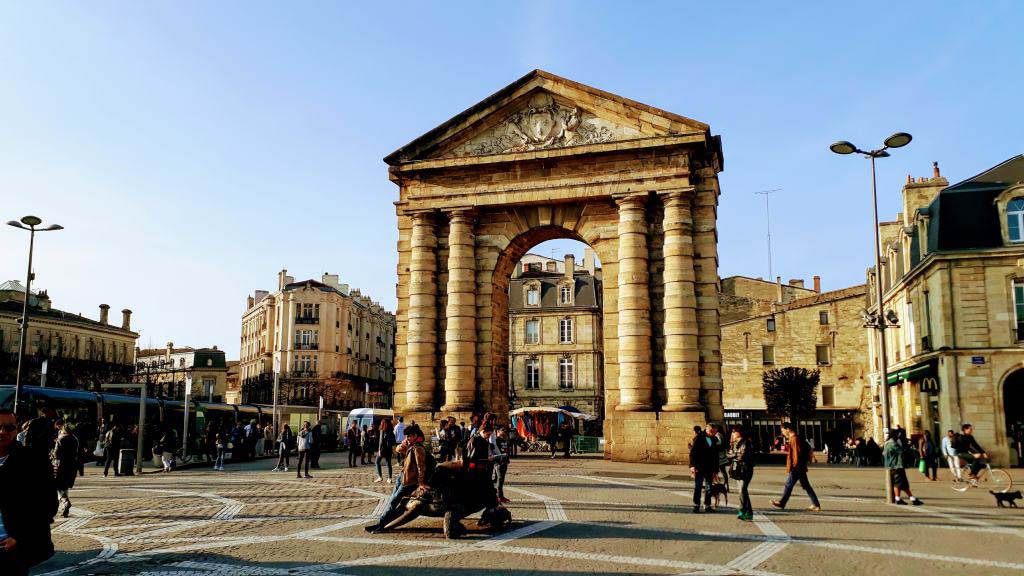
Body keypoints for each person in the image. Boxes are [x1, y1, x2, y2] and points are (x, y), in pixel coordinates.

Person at [0, 409, 58, 576]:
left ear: (17, 430)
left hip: (10, 548)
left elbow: (48, 506)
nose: (2, 431)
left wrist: (20, 537)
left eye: (9, 427)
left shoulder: (33, 461)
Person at [365, 425, 428, 534]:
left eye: (409, 436)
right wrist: (405, 443)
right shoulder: (411, 445)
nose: (407, 438)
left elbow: (421, 467)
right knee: (392, 501)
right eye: (406, 436)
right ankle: (381, 524)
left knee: (393, 502)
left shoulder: (418, 448)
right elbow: (398, 449)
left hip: (409, 482)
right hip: (402, 477)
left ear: (415, 436)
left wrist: (421, 482)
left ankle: (381, 525)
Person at [771, 422, 821, 511]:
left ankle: (782, 502)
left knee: (788, 485)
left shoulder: (794, 439)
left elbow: (796, 454)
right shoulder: (797, 437)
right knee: (806, 486)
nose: (782, 433)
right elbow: (808, 448)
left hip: (796, 466)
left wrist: (795, 465)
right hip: (800, 466)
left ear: (788, 429)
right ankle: (816, 504)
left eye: (783, 430)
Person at [884, 428, 923, 505]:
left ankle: (909, 498)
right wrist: (908, 446)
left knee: (901, 483)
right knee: (899, 483)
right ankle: (901, 499)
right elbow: (901, 452)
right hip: (897, 465)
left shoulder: (887, 443)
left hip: (892, 466)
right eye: (898, 434)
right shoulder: (893, 444)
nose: (899, 436)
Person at [727, 426, 755, 521]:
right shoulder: (735, 443)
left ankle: (742, 510)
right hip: (738, 469)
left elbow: (743, 455)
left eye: (734, 432)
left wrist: (734, 455)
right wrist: (734, 454)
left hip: (745, 469)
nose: (733, 434)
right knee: (743, 491)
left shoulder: (746, 442)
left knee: (742, 490)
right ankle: (749, 512)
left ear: (739, 433)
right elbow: (729, 454)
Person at [53, 422, 80, 518]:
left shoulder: (61, 439)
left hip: (62, 465)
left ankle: (65, 501)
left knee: (57, 486)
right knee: (65, 486)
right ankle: (65, 509)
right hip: (72, 465)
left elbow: (56, 453)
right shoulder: (75, 439)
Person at [689, 425, 716, 513]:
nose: (714, 433)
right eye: (712, 431)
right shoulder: (699, 438)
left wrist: (716, 469)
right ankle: (696, 505)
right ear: (708, 430)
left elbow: (715, 456)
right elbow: (692, 453)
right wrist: (692, 466)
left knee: (709, 487)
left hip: (709, 467)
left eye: (715, 432)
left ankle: (707, 505)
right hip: (699, 467)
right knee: (698, 486)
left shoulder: (714, 439)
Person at [375, 419, 395, 483]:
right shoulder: (391, 430)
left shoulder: (382, 430)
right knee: (388, 463)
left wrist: (379, 450)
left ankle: (380, 477)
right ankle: (389, 478)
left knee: (377, 462)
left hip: (383, 449)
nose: (380, 423)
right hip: (389, 449)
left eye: (381, 422)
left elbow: (381, 441)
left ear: (383, 423)